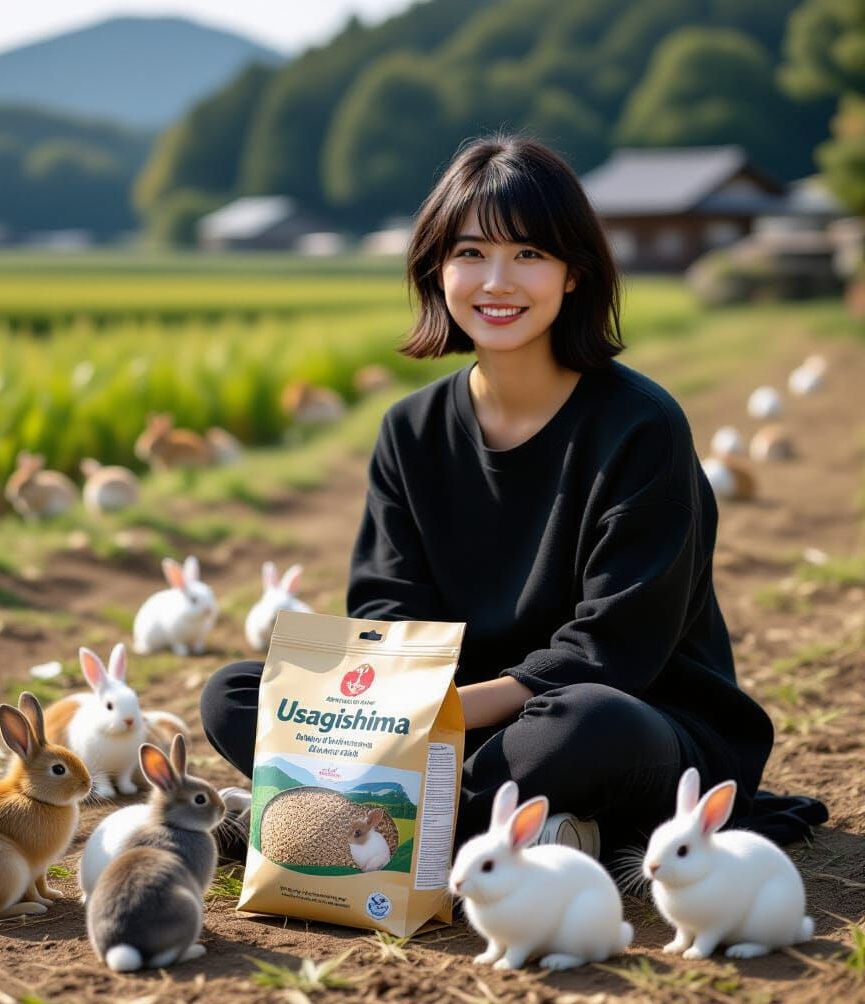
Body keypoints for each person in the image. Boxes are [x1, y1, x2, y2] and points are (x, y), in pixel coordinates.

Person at [201, 134, 825, 863]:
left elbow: (611, 650)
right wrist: (376, 711)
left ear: (573, 275)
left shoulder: (641, 428)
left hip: (625, 717)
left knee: (583, 725)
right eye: (470, 253)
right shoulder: (410, 430)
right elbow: (386, 611)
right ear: (437, 270)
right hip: (448, 722)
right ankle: (523, 832)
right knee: (237, 691)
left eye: (528, 254)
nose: (497, 281)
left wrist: (446, 715)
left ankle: (331, 817)